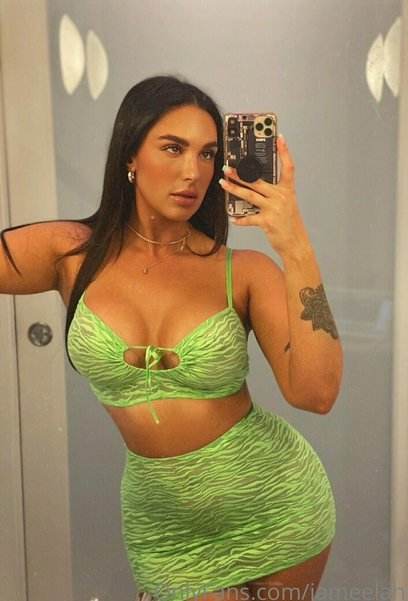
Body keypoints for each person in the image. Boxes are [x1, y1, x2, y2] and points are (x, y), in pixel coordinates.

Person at [0, 75, 343, 601]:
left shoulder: (243, 271)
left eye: (208, 154)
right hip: (163, 530)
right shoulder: (70, 254)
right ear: (130, 156)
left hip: (277, 506)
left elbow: (316, 392)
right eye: (173, 148)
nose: (193, 172)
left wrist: (293, 242)